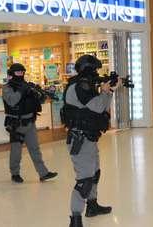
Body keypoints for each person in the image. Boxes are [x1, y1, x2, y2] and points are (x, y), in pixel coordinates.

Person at [62, 55, 121, 227]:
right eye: (94, 69)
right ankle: (75, 218)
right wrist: (105, 91)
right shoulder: (79, 86)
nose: (96, 73)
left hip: (89, 137)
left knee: (94, 174)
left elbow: (100, 106)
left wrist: (108, 90)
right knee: (85, 180)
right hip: (80, 139)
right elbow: (97, 106)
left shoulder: (84, 85)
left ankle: (92, 206)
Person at [2, 63, 58, 183]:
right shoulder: (7, 88)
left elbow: (38, 101)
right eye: (18, 72)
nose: (20, 75)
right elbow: (12, 101)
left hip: (30, 122)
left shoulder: (26, 86)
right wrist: (22, 90)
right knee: (16, 151)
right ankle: (15, 173)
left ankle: (43, 173)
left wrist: (39, 93)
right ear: (12, 74)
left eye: (22, 72)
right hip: (16, 124)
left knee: (35, 149)